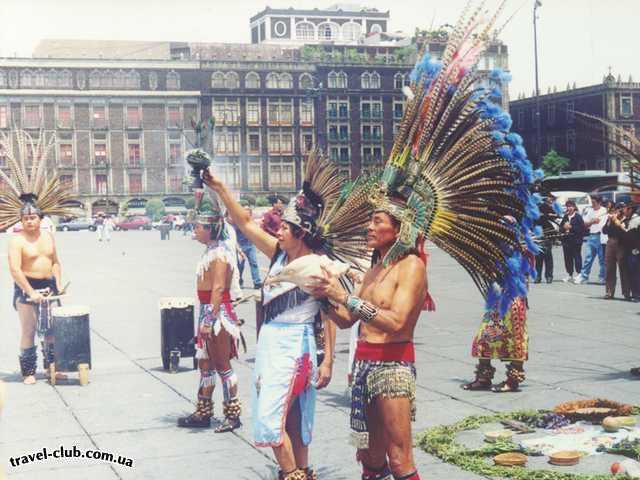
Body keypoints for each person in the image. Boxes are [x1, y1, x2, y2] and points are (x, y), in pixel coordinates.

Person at [308, 6, 539, 472]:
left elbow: (393, 321)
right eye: (370, 220)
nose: (370, 227)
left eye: (377, 221)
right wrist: (325, 299)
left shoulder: (411, 266)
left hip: (393, 369)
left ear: (399, 227)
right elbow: (354, 322)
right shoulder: (375, 264)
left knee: (398, 457)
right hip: (365, 367)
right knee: (368, 456)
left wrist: (347, 299)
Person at [204, 153, 370, 480]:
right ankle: (303, 471)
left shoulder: (319, 267)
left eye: (284, 228)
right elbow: (246, 224)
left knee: (273, 415)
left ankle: (292, 473)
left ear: (300, 232)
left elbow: (330, 317)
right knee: (291, 416)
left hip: (295, 346)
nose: (278, 231)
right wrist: (221, 188)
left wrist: (328, 363)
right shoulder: (279, 255)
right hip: (270, 343)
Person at [0, 129, 73, 385]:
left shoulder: (48, 236)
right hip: (26, 289)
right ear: (21, 220)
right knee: (29, 330)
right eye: (25, 218)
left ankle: (54, 367)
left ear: (41, 218)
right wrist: (29, 291)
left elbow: (55, 261)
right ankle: (29, 372)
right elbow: (15, 270)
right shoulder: (17, 240)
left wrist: (58, 283)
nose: (29, 221)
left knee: (53, 331)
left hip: (49, 287)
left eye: (33, 217)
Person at [177, 202, 244, 432]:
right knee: (205, 364)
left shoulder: (221, 256)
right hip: (208, 311)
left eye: (198, 226)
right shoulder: (212, 252)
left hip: (217, 315)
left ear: (210, 229)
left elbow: (217, 289)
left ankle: (233, 415)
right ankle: (203, 412)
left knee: (222, 365)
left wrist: (208, 321)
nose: (194, 229)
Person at [575, 196, 607, 284]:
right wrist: (591, 222)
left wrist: (592, 222)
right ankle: (584, 276)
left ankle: (602, 277)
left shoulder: (604, 211)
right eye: (591, 202)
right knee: (588, 258)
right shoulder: (590, 211)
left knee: (602, 259)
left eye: (594, 202)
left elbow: (602, 225)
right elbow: (584, 224)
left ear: (599, 202)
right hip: (591, 236)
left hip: (601, 236)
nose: (592, 204)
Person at [603, 202, 629, 299]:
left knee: (623, 269)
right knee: (609, 268)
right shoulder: (611, 219)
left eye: (621, 208)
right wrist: (609, 221)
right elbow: (604, 231)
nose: (619, 210)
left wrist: (617, 222)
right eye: (617, 208)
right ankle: (609, 291)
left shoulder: (625, 220)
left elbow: (625, 232)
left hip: (621, 244)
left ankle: (626, 292)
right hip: (610, 242)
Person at [232, 207, 262, 289]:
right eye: (245, 213)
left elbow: (256, 234)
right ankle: (239, 281)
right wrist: (238, 248)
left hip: (250, 246)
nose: (247, 215)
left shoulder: (253, 223)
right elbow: (233, 236)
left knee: (254, 263)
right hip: (240, 246)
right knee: (240, 265)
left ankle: (257, 282)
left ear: (251, 214)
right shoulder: (237, 223)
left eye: (248, 213)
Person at [534, 195, 559, 284]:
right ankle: (538, 276)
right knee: (538, 257)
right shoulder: (533, 208)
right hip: (537, 234)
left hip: (547, 233)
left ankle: (549, 276)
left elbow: (556, 216)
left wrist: (547, 215)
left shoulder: (546, 207)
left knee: (548, 255)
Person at [559, 200, 586, 283]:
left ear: (574, 207)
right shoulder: (565, 216)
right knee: (567, 258)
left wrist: (571, 227)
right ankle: (569, 274)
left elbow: (582, 229)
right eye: (567, 206)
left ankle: (579, 274)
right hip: (566, 241)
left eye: (571, 206)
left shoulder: (578, 217)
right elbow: (560, 228)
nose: (569, 208)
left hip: (576, 241)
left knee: (577, 257)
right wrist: (564, 228)